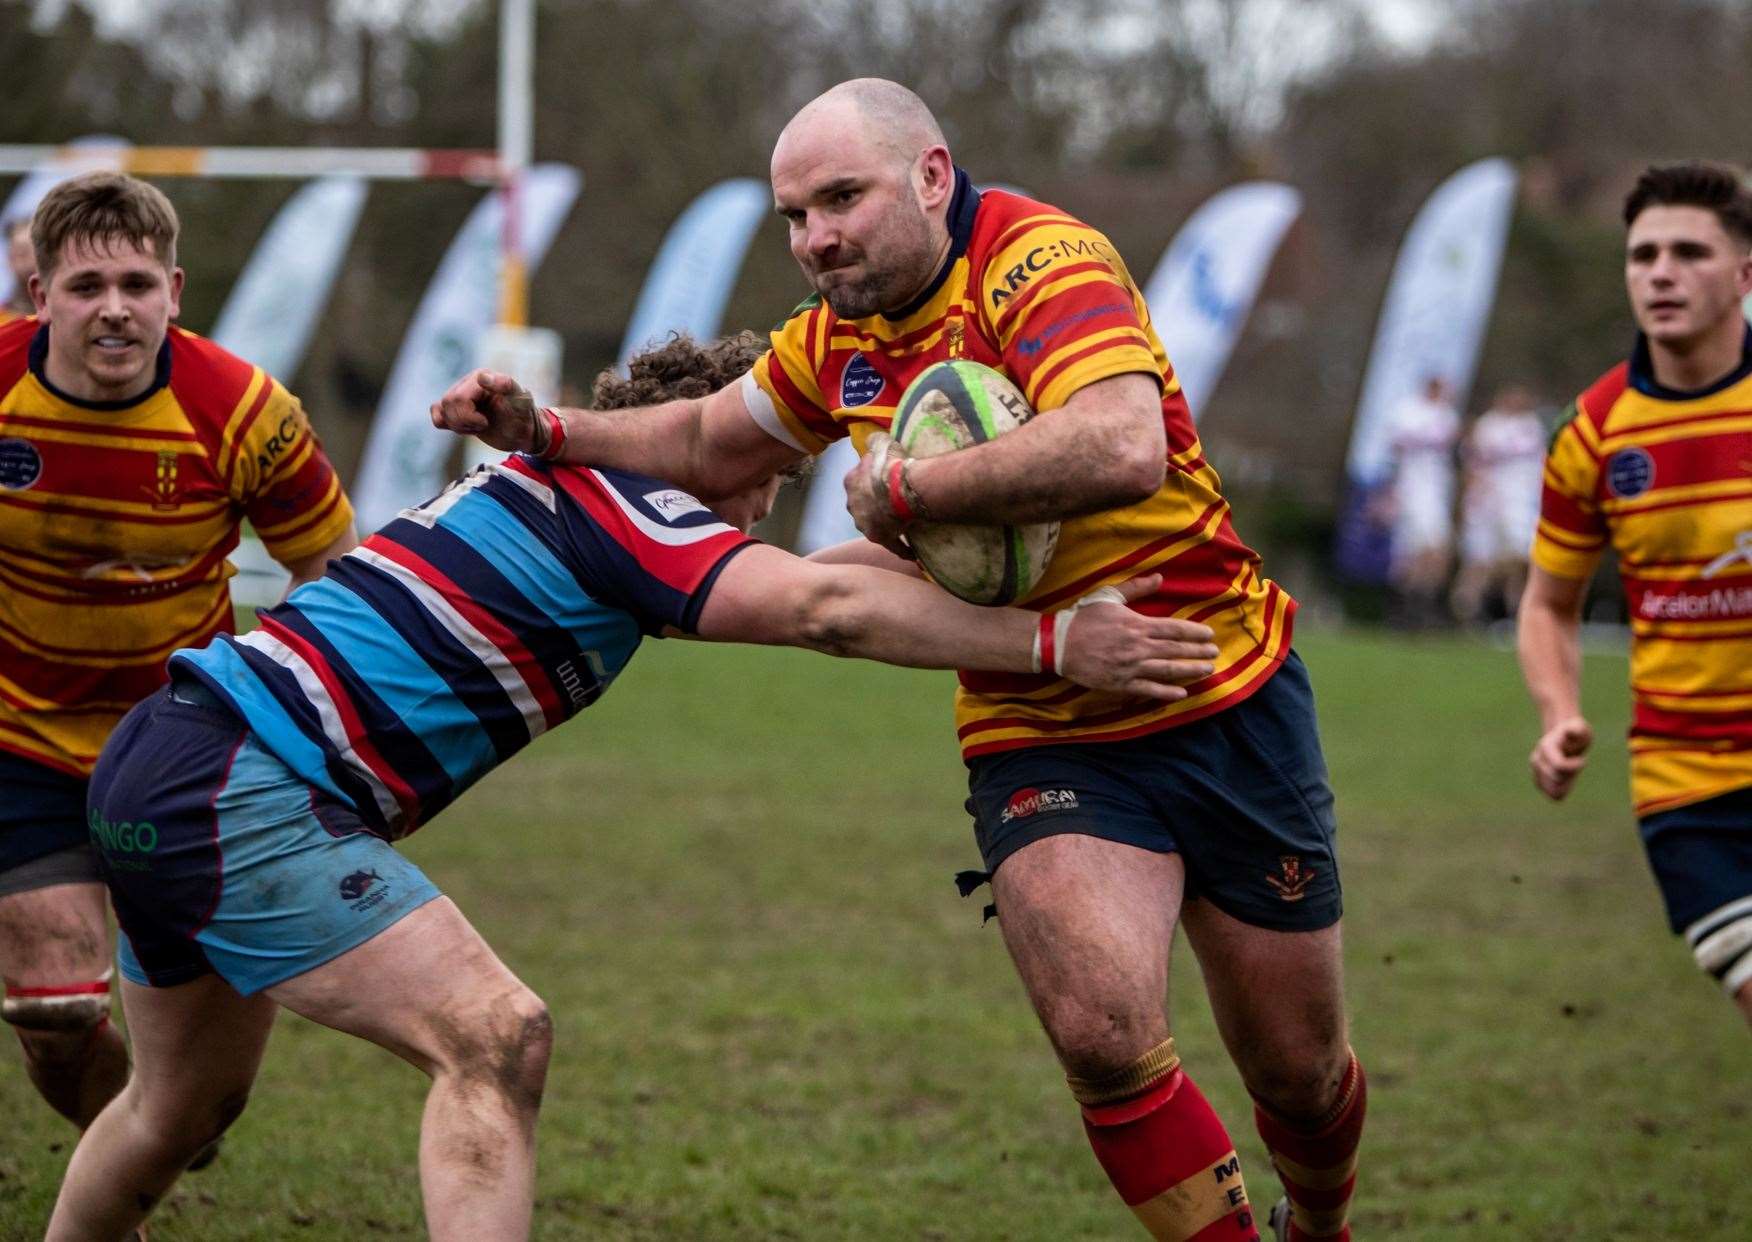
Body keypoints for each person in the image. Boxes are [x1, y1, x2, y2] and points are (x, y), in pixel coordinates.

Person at [434, 80, 1366, 1242]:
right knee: (1099, 1033)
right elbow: (706, 434)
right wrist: (549, 431)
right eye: (793, 216)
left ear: (931, 177)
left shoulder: (1038, 264)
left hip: (1213, 683)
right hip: (1041, 720)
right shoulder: (835, 338)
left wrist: (912, 489)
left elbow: (1122, 446)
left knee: (1299, 1073)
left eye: (840, 198)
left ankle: (1320, 1224)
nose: (815, 236)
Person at [45, 331, 1218, 1241]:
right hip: (240, 784)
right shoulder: (635, 507)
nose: (771, 498)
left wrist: (965, 543)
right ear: (724, 451)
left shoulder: (569, 493)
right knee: (495, 1040)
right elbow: (823, 611)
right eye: (773, 465)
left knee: (173, 1107)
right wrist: (1059, 649)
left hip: (165, 757)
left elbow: (813, 579)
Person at [0, 172, 358, 1144]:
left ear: (174, 290)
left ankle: (153, 1137)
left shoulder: (242, 410)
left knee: (203, 1094)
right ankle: (126, 1176)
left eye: (136, 283)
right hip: (19, 736)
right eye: (84, 287)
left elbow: (326, 568)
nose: (113, 308)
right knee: (56, 1015)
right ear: (40, 295)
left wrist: (277, 711)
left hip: (182, 751)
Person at [1518, 160, 1752, 1028]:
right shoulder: (1594, 433)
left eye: (1689, 251)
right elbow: (1548, 604)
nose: (1660, 271)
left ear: (1744, 275)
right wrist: (1557, 713)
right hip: (1689, 790)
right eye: (1643, 253)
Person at [1450, 384, 1547, 624]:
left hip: (1521, 505)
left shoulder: (1531, 427)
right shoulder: (1487, 426)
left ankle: (1516, 614)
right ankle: (1466, 612)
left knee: (1521, 561)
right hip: (1488, 504)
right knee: (1479, 562)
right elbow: (1474, 465)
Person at [1384, 374, 1460, 627]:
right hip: (1412, 488)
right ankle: (1403, 606)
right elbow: (1396, 444)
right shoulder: (1408, 410)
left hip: (1437, 489)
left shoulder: (1447, 415)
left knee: (1438, 549)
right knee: (1413, 551)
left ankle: (1422, 603)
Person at [2, 214, 35, 322]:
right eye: (21, 253)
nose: (29, 261)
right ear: (9, 259)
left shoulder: (62, 308)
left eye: (34, 250)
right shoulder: (4, 317)